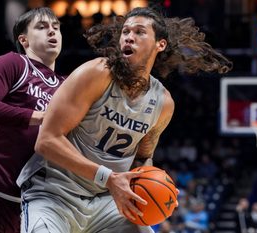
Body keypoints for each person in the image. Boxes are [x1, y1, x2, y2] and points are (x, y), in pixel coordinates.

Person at [17, 6, 232, 233]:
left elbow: (142, 158)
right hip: (54, 192)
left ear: (161, 44)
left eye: (139, 32)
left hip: (105, 200)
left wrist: (156, 188)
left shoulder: (163, 103)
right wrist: (108, 178)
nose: (129, 37)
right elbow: (47, 141)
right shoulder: (95, 74)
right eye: (125, 32)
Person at [0, 7, 65, 233]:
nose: (52, 32)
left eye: (56, 28)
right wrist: (40, 116)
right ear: (24, 39)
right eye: (42, 27)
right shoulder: (14, 63)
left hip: (34, 206)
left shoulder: (67, 85)